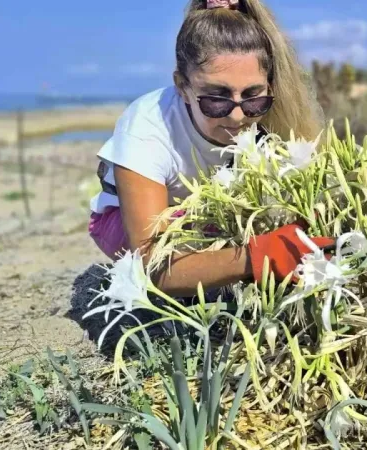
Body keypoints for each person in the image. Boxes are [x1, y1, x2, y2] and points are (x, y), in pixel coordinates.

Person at [87, 0, 333, 298]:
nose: (238, 116)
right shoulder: (147, 128)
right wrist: (256, 257)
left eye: (253, 97)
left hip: (210, 218)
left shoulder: (273, 119)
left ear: (270, 88)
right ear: (182, 87)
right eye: (216, 99)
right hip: (127, 225)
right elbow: (149, 262)